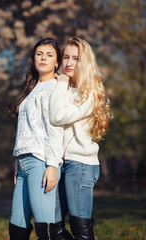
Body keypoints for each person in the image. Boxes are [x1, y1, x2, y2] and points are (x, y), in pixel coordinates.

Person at [50, 37, 112, 240]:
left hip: (81, 164)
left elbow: (58, 116)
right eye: (66, 57)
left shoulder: (89, 93)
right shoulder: (62, 87)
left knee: (81, 230)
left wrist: (60, 83)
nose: (69, 63)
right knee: (53, 228)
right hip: (59, 164)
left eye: (75, 58)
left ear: (84, 62)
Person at [9, 38, 67, 240]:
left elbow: (55, 128)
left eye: (49, 55)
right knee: (17, 229)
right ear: (33, 58)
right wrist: (18, 161)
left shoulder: (55, 87)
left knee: (46, 230)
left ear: (57, 62)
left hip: (42, 162)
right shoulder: (32, 88)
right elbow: (25, 129)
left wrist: (52, 165)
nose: (43, 58)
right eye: (39, 54)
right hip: (24, 163)